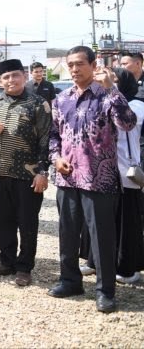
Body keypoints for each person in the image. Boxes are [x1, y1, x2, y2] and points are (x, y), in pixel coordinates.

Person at [47, 46, 136, 313]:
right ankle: (70, 280)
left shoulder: (107, 96)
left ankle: (105, 291)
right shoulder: (61, 99)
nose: (74, 69)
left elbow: (128, 123)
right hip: (68, 179)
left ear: (93, 64)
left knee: (102, 240)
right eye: (70, 65)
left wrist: (112, 90)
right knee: (67, 234)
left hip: (100, 180)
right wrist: (55, 158)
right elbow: (53, 137)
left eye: (79, 64)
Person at [0, 59, 52, 287]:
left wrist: (43, 172)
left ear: (24, 76)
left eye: (15, 75)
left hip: (28, 175)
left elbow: (46, 140)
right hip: (1, 172)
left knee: (27, 222)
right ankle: (7, 262)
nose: (11, 80)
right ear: (0, 80)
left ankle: (24, 267)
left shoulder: (38, 103)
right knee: (3, 221)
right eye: (6, 77)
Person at [109, 68, 144, 284]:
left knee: (126, 222)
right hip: (103, 173)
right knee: (104, 221)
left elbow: (124, 123)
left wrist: (111, 92)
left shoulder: (137, 105)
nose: (109, 84)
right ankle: (98, 261)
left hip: (125, 172)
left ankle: (127, 267)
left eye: (115, 81)